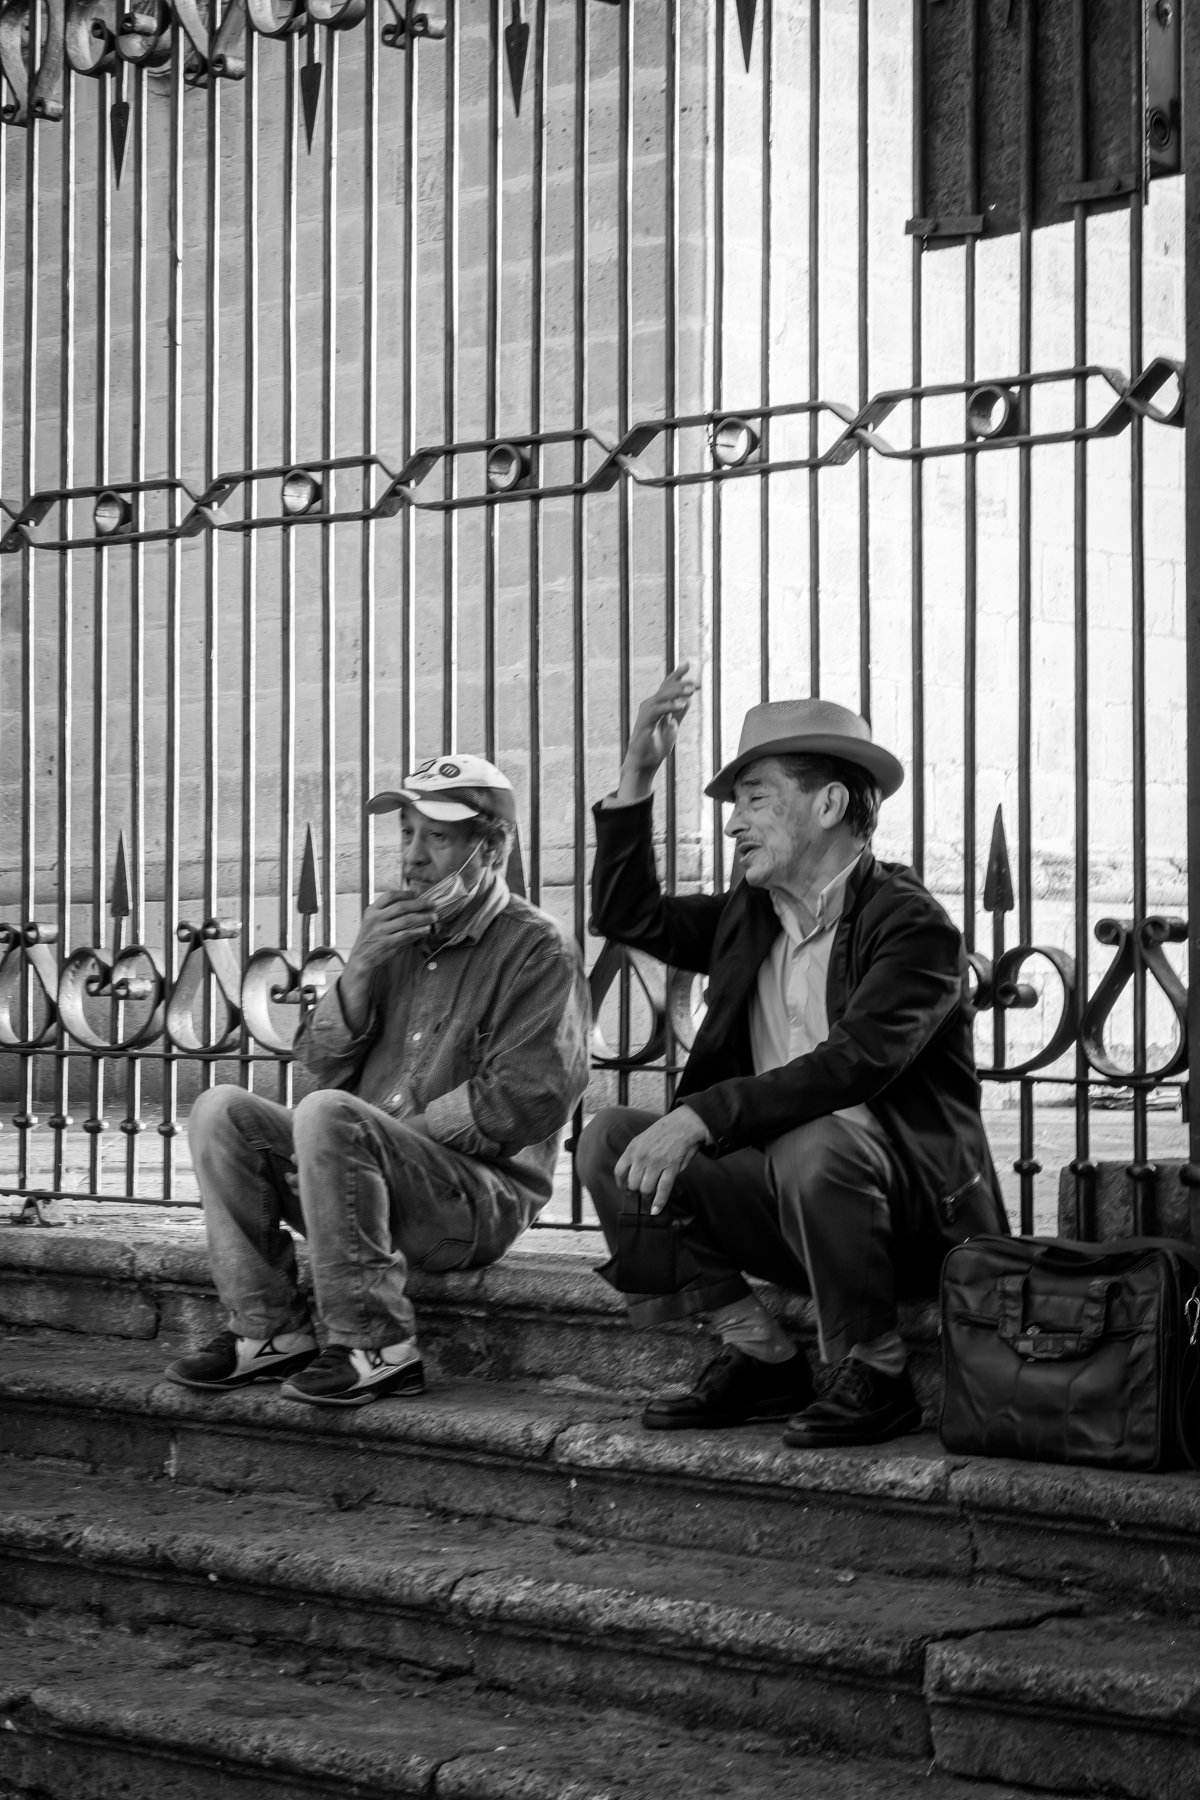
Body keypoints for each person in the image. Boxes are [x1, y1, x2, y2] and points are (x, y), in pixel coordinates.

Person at [577, 665, 1007, 1448]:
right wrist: (638, 773)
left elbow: (854, 1065)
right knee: (611, 1138)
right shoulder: (752, 914)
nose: (735, 822)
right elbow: (625, 912)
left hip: (912, 1227)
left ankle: (874, 1371)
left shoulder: (913, 928)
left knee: (817, 1134)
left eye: (755, 798)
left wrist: (704, 1116)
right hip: (787, 1208)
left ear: (830, 804)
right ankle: (761, 1355)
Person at [167, 754, 592, 1408]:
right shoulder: (388, 937)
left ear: (493, 848)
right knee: (222, 1111)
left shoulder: (539, 946)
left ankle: (378, 1345)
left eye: (438, 838)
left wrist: (387, 1138)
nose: (413, 857)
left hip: (473, 1200)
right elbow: (314, 1079)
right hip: (358, 1178)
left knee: (334, 1119)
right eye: (407, 835)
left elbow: (529, 1096)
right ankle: (269, 1331)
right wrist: (359, 972)